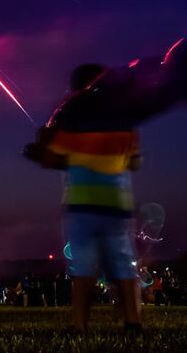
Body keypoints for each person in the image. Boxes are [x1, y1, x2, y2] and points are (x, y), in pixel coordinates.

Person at [24, 65, 145, 333]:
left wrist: (41, 149)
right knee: (124, 264)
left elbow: (50, 158)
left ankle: (79, 324)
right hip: (116, 204)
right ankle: (133, 322)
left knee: (82, 266)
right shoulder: (125, 123)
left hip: (81, 203)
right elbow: (135, 162)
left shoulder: (70, 122)